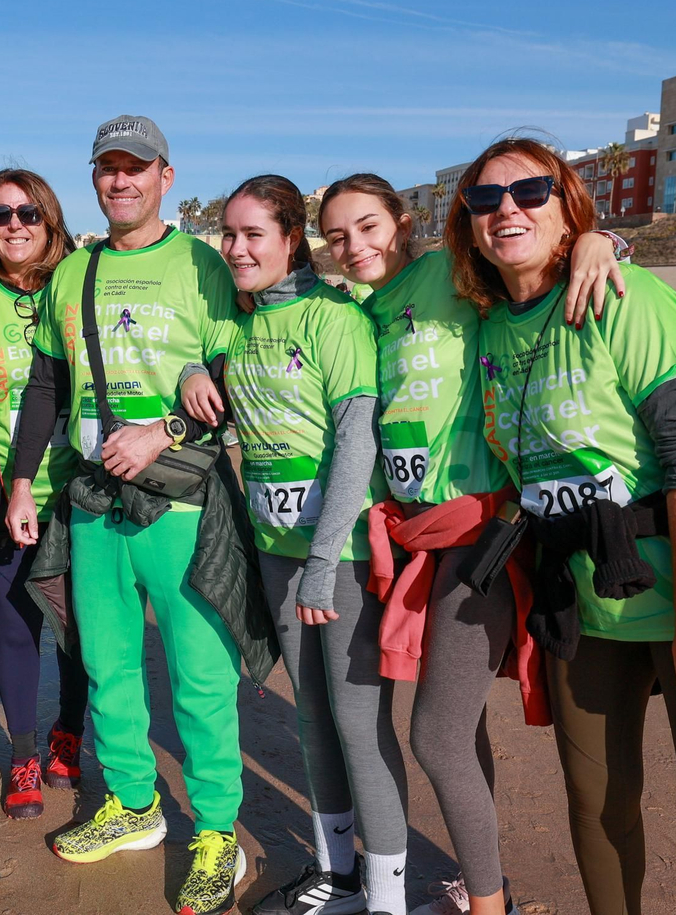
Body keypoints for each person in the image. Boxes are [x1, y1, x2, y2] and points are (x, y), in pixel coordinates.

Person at [452, 138, 676, 914]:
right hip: (592, 601)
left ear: (568, 204)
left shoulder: (624, 296)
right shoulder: (486, 331)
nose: (506, 209)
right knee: (598, 809)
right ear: (468, 222)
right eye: (483, 199)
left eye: (530, 192)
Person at [321, 172, 623, 915]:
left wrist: (599, 238)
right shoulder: (360, 310)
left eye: (366, 226)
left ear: (400, 220)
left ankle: (491, 907)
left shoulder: (451, 272)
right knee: (462, 724)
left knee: (435, 735)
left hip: (482, 530)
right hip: (417, 535)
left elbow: (536, 256)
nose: (354, 246)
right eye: (336, 237)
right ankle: (483, 881)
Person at [6, 115, 268, 915]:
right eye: (108, 168)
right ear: (96, 179)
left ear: (166, 177)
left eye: (136, 167)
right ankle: (133, 804)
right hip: (90, 496)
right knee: (107, 665)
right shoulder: (73, 271)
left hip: (180, 498)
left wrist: (168, 431)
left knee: (199, 678)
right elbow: (46, 385)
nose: (121, 180)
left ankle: (217, 831)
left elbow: (237, 367)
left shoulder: (202, 262)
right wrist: (22, 483)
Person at [217, 175, 408, 915]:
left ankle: (389, 899)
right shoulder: (240, 320)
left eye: (253, 234)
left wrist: (326, 563)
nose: (237, 248)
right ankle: (338, 874)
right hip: (275, 550)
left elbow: (356, 446)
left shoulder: (335, 319)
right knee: (311, 719)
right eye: (229, 235)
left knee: (360, 726)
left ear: (291, 239)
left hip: (344, 555)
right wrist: (204, 370)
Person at [0, 168, 89, 819]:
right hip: (2, 490)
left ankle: (70, 730)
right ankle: (24, 752)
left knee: (81, 632)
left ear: (52, 221)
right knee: (15, 625)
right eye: (1, 214)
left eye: (28, 214)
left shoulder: (80, 283)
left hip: (81, 491)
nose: (15, 225)